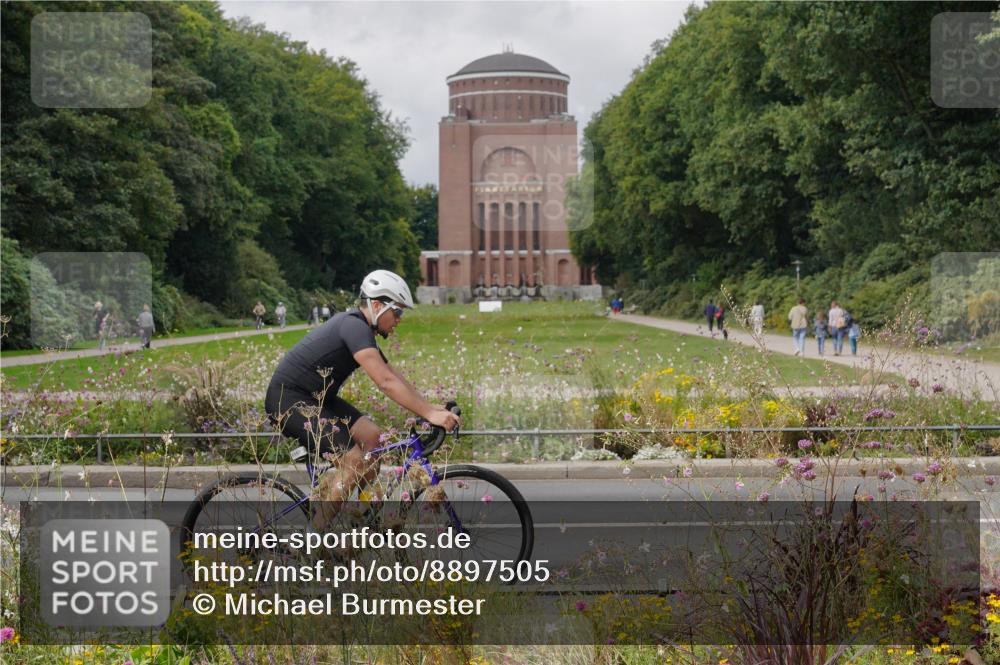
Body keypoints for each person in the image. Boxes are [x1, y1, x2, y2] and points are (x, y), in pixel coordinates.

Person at [264, 269, 460, 529]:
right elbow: (385, 382)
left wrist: (430, 408)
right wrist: (430, 414)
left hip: (317, 399)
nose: (399, 320)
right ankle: (313, 539)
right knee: (354, 462)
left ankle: (357, 516)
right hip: (289, 400)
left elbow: (393, 375)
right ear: (377, 306)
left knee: (372, 438)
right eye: (397, 312)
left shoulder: (360, 329)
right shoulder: (354, 327)